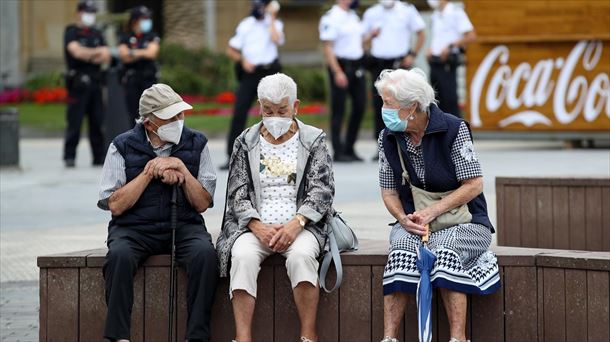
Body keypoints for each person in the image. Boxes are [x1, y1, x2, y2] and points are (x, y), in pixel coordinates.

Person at [374, 69, 499, 342]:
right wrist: (402, 217)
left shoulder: (454, 129)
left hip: (466, 221)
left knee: (443, 253)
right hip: (415, 222)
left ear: (413, 108)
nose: (383, 110)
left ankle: (458, 338)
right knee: (402, 252)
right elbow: (388, 191)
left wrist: (432, 211)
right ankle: (389, 339)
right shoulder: (388, 137)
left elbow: (474, 184)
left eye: (389, 104)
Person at [216, 73, 334, 342]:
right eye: (268, 110)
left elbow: (322, 189)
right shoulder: (246, 142)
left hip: (301, 225)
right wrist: (257, 227)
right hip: (255, 227)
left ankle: (308, 334)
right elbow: (237, 192)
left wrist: (296, 224)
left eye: (282, 110)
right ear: (259, 106)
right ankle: (243, 337)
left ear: (296, 106)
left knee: (302, 256)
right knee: (242, 256)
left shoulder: (313, 140)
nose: (275, 116)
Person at [98, 83, 218, 342]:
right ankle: (118, 337)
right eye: (171, 117)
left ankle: (197, 336)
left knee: (205, 256)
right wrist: (148, 172)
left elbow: (203, 203)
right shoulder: (122, 146)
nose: (179, 120)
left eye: (180, 114)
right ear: (150, 123)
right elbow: (114, 204)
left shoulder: (197, 143)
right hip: (134, 228)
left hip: (185, 224)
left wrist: (183, 171)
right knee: (119, 256)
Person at [223, 0, 284, 169]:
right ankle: (232, 155)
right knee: (240, 111)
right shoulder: (246, 25)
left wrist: (271, 17)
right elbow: (231, 49)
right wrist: (242, 60)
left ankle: (275, 153)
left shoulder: (275, 23)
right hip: (250, 73)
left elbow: (276, 39)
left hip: (269, 72)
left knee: (274, 112)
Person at [362, 0, 425, 148]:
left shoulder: (407, 10)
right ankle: (383, 144)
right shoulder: (371, 13)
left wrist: (413, 55)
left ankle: (410, 141)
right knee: (381, 104)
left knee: (406, 102)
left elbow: (421, 33)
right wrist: (371, 36)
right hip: (379, 64)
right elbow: (361, 40)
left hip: (400, 63)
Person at [63, 0, 110, 167]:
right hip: (78, 84)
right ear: (79, 13)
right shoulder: (71, 31)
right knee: (74, 122)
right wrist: (94, 54)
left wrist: (87, 54)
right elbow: (75, 52)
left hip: (96, 83)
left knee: (97, 121)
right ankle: (70, 156)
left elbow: (106, 55)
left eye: (92, 12)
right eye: (88, 12)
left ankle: (98, 157)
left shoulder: (97, 33)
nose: (91, 16)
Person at [319, 0, 366, 162]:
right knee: (339, 109)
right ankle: (338, 151)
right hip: (340, 66)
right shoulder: (331, 17)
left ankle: (350, 147)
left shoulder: (354, 16)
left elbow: (358, 42)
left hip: (357, 65)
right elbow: (328, 47)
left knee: (360, 106)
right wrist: (337, 71)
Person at [426, 0, 476, 118]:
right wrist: (430, 48)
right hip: (435, 61)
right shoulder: (436, 15)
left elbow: (471, 36)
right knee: (435, 98)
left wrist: (451, 46)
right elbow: (438, 37)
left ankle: (456, 131)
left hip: (447, 61)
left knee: (450, 99)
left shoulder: (456, 12)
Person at [118, 5, 160, 124]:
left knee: (150, 114)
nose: (147, 21)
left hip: (148, 80)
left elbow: (152, 53)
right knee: (134, 115)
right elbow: (124, 56)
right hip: (131, 80)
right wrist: (142, 52)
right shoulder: (126, 37)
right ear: (135, 20)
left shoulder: (151, 36)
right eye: (144, 18)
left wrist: (132, 52)